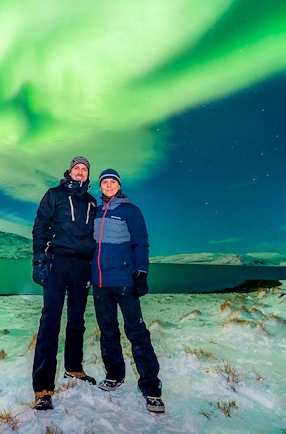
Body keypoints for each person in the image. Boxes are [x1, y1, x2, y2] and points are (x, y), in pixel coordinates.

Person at [91, 168, 165, 413]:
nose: (109, 185)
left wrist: (141, 273)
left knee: (136, 333)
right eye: (105, 182)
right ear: (100, 186)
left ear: (119, 186)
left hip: (124, 280)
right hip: (100, 284)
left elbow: (140, 242)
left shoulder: (130, 211)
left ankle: (151, 388)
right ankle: (114, 374)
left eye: (113, 182)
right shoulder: (96, 211)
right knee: (108, 331)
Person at [30, 156, 98, 411]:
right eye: (76, 168)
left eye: (84, 169)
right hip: (57, 262)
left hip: (82, 265)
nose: (80, 172)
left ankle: (73, 368)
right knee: (50, 321)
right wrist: (39, 260)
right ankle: (43, 388)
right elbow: (40, 226)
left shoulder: (92, 202)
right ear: (70, 172)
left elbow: (95, 235)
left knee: (77, 320)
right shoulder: (54, 194)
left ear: (87, 175)